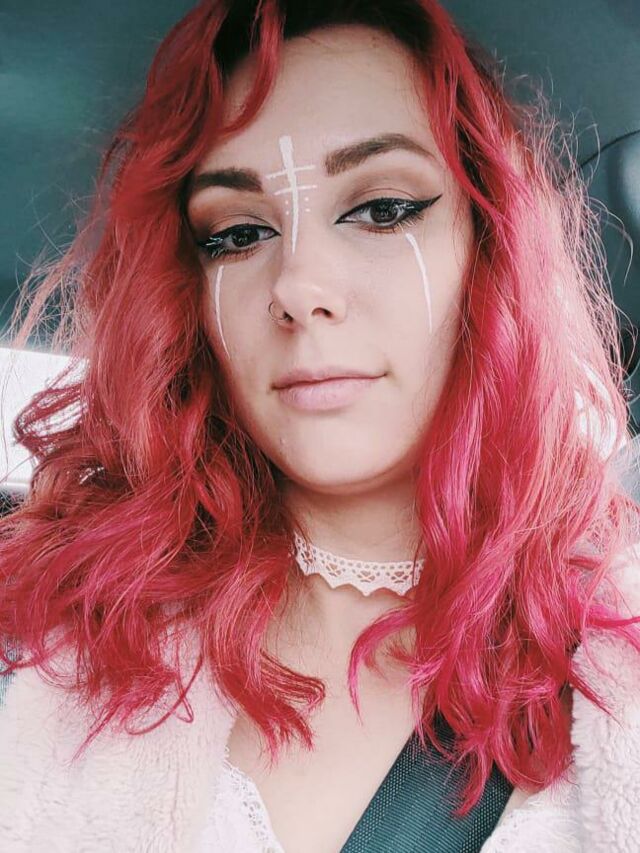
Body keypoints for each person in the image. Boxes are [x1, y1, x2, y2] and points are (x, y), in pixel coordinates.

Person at [1, 1, 640, 850]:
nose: (298, 286)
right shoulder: (49, 642)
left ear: (489, 246)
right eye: (237, 233)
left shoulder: (619, 647)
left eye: (383, 209)